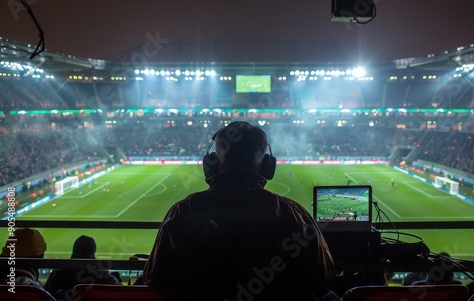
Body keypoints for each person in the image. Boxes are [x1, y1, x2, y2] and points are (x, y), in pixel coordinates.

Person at [141, 121, 336, 300]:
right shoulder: (295, 214)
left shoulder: (184, 211)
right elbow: (323, 280)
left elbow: (154, 279)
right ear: (267, 165)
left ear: (211, 163)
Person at [45, 235, 122, 298]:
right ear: (93, 251)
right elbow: (122, 294)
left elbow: (46, 293)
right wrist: (115, 279)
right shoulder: (102, 276)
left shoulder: (58, 274)